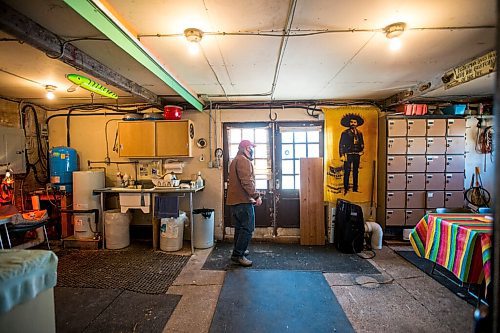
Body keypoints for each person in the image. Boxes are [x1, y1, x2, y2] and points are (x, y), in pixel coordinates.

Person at [226, 139, 262, 267]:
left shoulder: (235, 160)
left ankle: (238, 251)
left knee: (240, 228)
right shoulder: (243, 161)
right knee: (247, 228)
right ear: (246, 148)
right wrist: (256, 195)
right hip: (243, 201)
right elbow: (247, 181)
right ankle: (238, 255)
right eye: (251, 148)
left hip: (236, 201)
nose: (252, 150)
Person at [339, 113, 364, 195]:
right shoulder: (345, 133)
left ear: (357, 124)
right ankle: (346, 189)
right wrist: (342, 155)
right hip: (348, 154)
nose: (353, 124)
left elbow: (362, 143)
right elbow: (341, 145)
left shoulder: (360, 133)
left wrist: (361, 150)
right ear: (349, 123)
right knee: (347, 171)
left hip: (357, 154)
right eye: (351, 122)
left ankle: (355, 188)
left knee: (356, 171)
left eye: (354, 122)